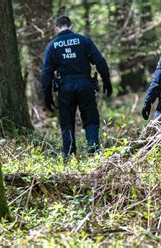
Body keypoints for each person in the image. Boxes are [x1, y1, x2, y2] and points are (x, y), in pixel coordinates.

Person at [41, 16, 112, 158]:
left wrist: (47, 96)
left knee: (66, 122)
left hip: (65, 88)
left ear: (56, 28)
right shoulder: (84, 40)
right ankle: (93, 150)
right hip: (85, 85)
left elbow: (46, 73)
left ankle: (69, 156)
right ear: (71, 26)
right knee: (91, 118)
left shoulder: (52, 46)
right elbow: (100, 61)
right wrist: (107, 82)